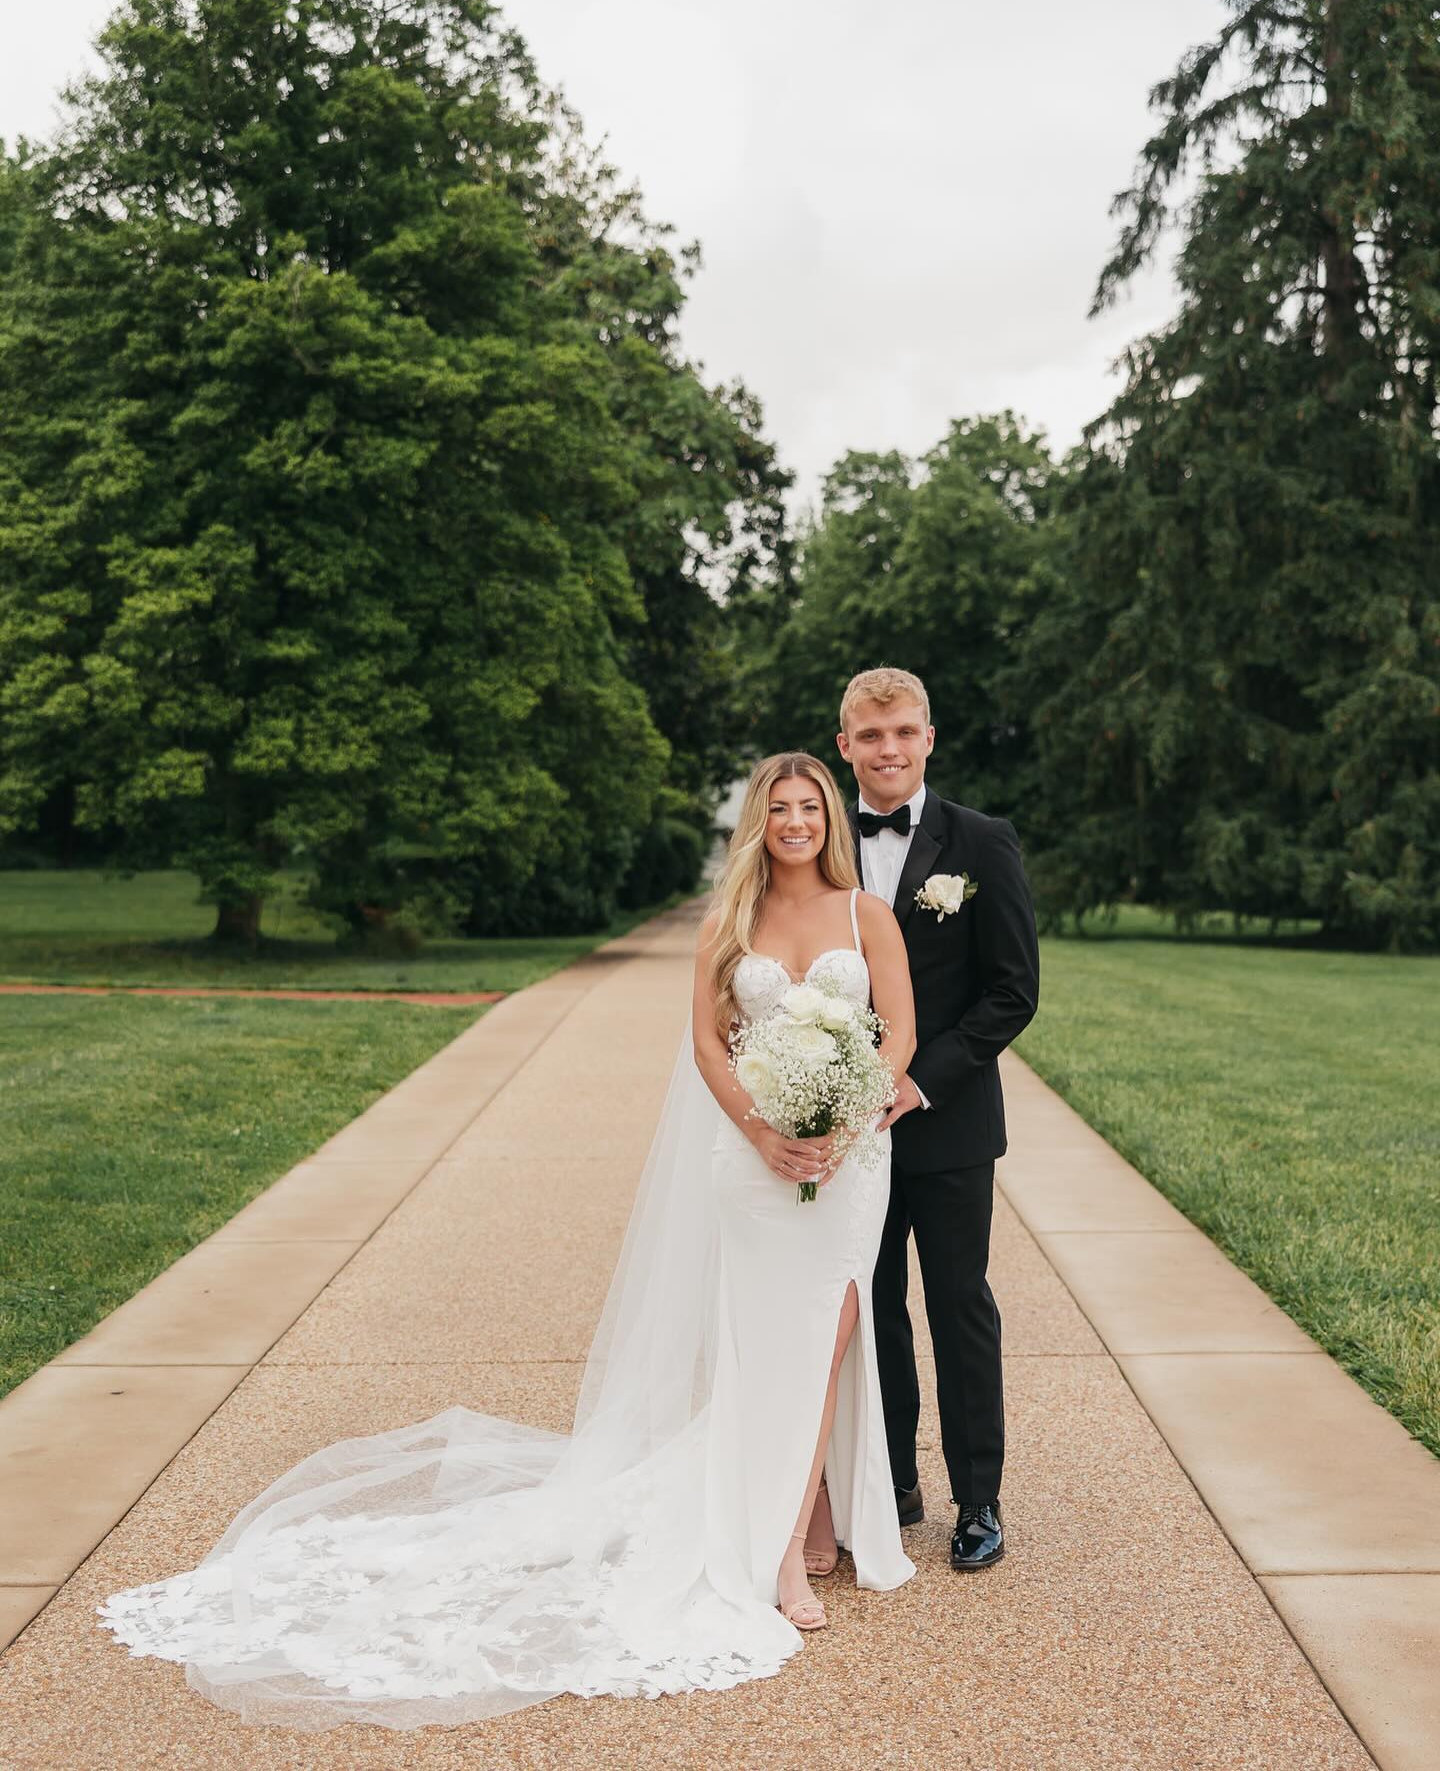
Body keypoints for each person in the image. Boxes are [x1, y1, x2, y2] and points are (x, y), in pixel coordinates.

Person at [97, 752, 916, 1731]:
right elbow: (706, 1044)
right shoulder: (727, 922)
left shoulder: (869, 917)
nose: (795, 822)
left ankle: (795, 1526)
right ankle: (783, 1549)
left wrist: (845, 1115)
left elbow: (897, 1033)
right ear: (758, 820)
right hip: (750, 1158)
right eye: (778, 807)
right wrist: (763, 1131)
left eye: (810, 807)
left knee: (822, 1342)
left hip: (848, 1157)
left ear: (830, 818)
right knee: (757, 1349)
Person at [837, 667, 1040, 1572]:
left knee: (960, 1305)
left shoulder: (983, 842)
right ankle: (890, 1482)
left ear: (929, 737)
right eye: (871, 736)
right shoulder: (816, 840)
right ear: (845, 744)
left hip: (950, 1122)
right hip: (845, 1129)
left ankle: (978, 1500)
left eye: (905, 733)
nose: (889, 750)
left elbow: (1011, 993)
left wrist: (922, 1080)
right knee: (871, 1307)